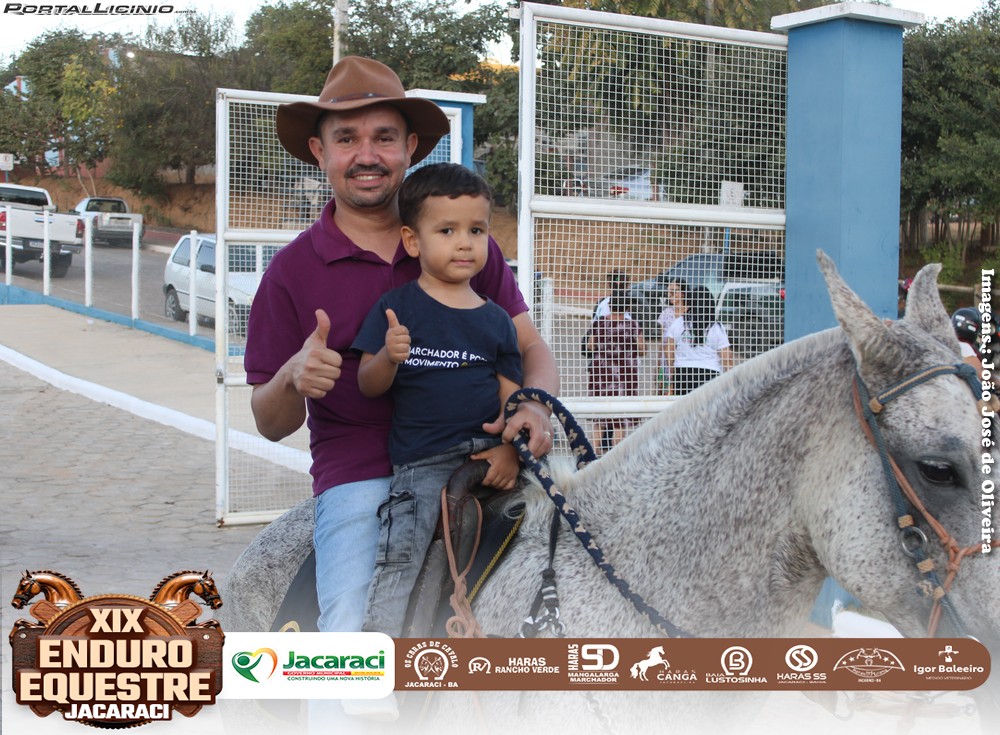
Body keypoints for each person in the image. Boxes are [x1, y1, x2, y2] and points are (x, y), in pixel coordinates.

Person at [243, 56, 558, 639]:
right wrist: (291, 376)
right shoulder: (290, 272)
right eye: (347, 139)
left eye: (384, 137)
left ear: (410, 147)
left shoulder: (462, 243)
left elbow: (530, 346)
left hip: (480, 455)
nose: (367, 155)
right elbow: (269, 422)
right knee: (349, 630)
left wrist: (532, 410)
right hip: (362, 472)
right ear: (319, 150)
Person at [351, 163, 522, 636]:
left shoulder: (497, 320)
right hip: (424, 463)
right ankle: (376, 653)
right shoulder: (397, 308)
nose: (464, 243)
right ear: (412, 241)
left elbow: (511, 400)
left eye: (476, 230)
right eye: (447, 231)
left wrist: (510, 450)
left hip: (487, 455)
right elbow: (368, 384)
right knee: (400, 556)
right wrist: (388, 357)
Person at [587, 292, 645, 453]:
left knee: (600, 415)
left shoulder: (599, 323)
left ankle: (594, 451)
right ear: (627, 307)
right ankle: (616, 453)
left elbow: (590, 346)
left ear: (610, 306)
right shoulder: (632, 325)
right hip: (624, 372)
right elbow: (642, 349)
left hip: (601, 371)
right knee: (620, 416)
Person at [663, 281, 734, 396]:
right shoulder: (716, 327)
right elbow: (727, 358)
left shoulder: (679, 323)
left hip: (683, 372)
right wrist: (730, 380)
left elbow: (668, 348)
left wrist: (672, 371)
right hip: (710, 373)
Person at [655, 279, 684, 395]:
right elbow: (662, 342)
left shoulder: (689, 313)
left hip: (682, 362)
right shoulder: (666, 313)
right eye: (668, 292)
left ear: (683, 293)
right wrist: (658, 367)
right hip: (666, 362)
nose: (670, 295)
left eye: (673, 291)